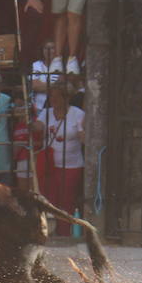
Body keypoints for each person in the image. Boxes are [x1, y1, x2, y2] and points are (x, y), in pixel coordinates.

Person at [42, 78, 86, 234]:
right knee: (50, 200)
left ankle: (64, 233)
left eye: (56, 96)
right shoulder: (46, 113)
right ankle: (49, 232)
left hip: (72, 166)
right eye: (51, 96)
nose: (52, 100)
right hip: (50, 165)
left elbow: (83, 136)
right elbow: (37, 127)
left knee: (66, 202)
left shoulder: (78, 114)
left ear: (66, 98)